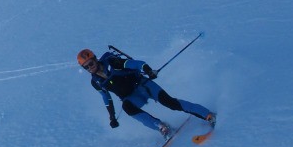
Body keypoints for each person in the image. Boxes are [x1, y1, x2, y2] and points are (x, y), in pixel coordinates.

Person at [77, 48, 216, 137]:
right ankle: (161, 127)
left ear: (96, 59)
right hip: (132, 97)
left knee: (171, 103)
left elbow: (137, 64)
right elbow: (106, 99)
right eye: (86, 67)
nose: (90, 68)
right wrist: (112, 117)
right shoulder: (96, 82)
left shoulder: (113, 63)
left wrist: (148, 70)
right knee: (127, 107)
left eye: (91, 63)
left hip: (144, 86)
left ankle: (207, 115)